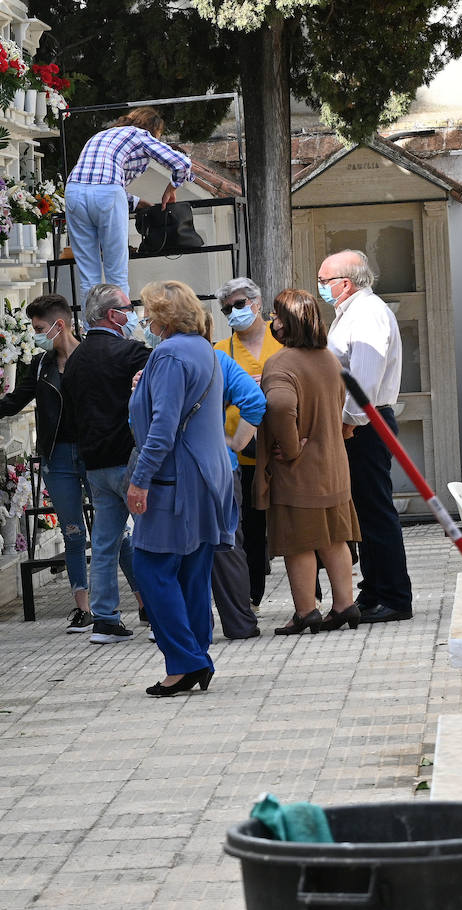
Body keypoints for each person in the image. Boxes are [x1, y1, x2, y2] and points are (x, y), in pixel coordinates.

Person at [0, 294, 94, 631]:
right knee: (72, 533)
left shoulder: (92, 357)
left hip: (94, 454)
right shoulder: (41, 365)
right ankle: (83, 609)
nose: (36, 334)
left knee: (112, 532)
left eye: (39, 328)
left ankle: (143, 602)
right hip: (58, 458)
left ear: (59, 325)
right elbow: (9, 405)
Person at [127, 281, 236, 696]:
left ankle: (185, 661)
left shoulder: (169, 354)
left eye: (149, 311)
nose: (145, 319)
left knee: (152, 569)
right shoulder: (204, 349)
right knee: (192, 572)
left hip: (176, 480)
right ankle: (197, 657)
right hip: (210, 475)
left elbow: (162, 429)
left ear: (163, 316)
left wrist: (140, 480)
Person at [256, 289, 363, 634]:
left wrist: (290, 449)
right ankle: (345, 604)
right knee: (334, 537)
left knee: (299, 541)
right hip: (335, 466)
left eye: (276, 317)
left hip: (299, 473)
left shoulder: (281, 363)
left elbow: (281, 406)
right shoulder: (329, 359)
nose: (272, 323)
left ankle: (306, 611)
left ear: (288, 323)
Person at [321, 249, 413, 625]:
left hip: (364, 423)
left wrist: (349, 422)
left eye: (325, 281)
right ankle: (375, 588)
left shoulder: (368, 314)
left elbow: (364, 379)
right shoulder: (350, 314)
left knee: (375, 510)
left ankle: (393, 595)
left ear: (345, 283)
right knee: (363, 512)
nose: (322, 288)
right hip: (358, 422)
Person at [60, 283, 151, 644]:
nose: (132, 314)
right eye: (128, 308)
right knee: (149, 539)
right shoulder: (130, 352)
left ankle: (105, 619)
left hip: (94, 462)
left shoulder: (76, 360)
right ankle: (160, 615)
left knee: (103, 543)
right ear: (114, 315)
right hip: (130, 459)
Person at [64, 107, 193, 303]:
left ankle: (92, 330)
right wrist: (171, 189)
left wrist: (136, 202)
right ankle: (119, 329)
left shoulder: (101, 135)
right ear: (153, 129)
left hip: (73, 191)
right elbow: (182, 163)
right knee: (116, 272)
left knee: (88, 276)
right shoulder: (140, 134)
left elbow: (95, 183)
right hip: (107, 192)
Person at [213, 278, 284, 610]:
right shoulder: (221, 351)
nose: (233, 312)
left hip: (285, 448)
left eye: (239, 304)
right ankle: (252, 598)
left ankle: (310, 596)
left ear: (257, 303)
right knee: (250, 530)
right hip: (242, 451)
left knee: (293, 523)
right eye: (227, 308)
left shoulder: (283, 339)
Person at [203, 314, 267, 640]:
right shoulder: (218, 359)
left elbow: (139, 420)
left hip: (177, 472)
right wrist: (236, 443)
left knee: (183, 552)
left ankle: (197, 628)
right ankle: (240, 623)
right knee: (228, 545)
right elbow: (255, 401)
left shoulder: (161, 361)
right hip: (222, 465)